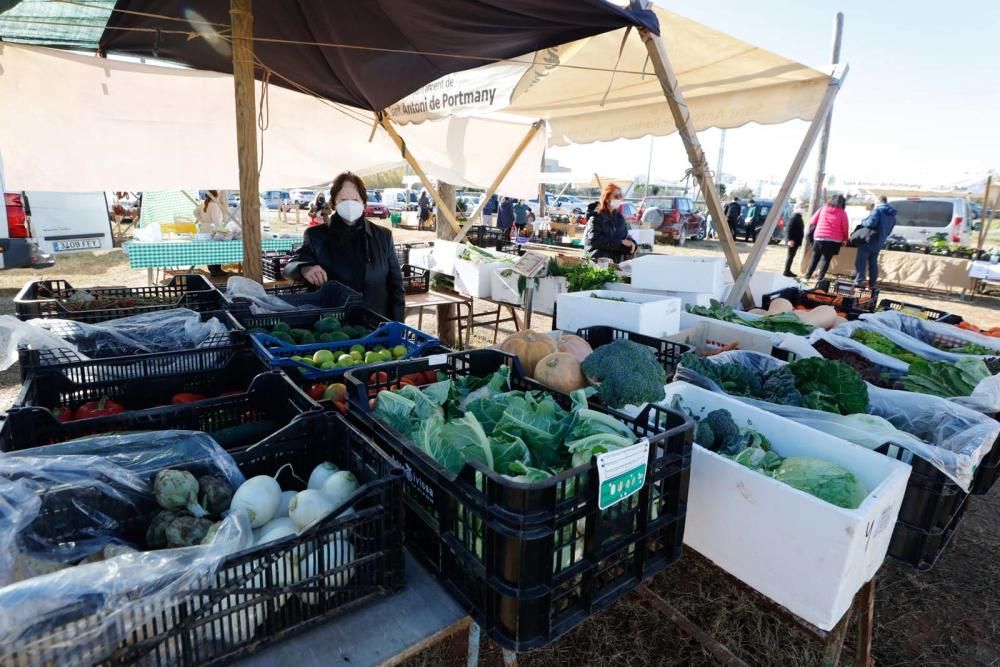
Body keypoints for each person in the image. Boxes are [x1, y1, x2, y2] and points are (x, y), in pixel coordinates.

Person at [284, 172, 404, 321]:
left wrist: (398, 327)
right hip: (333, 326)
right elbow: (289, 268)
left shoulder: (383, 236)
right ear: (333, 203)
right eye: (343, 199)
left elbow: (397, 287)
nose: (350, 204)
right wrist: (304, 268)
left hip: (377, 325)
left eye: (355, 199)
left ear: (363, 203)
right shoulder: (316, 235)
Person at [584, 182, 636, 263]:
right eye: (616, 196)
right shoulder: (596, 218)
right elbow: (595, 241)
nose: (619, 199)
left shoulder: (620, 218)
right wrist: (620, 242)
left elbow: (624, 237)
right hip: (597, 263)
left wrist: (632, 243)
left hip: (615, 263)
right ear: (607, 199)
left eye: (620, 196)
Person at [803, 194, 850, 282]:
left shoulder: (822, 209)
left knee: (815, 257)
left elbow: (813, 221)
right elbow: (845, 228)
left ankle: (807, 276)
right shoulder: (842, 213)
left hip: (819, 237)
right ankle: (820, 278)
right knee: (826, 259)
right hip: (833, 240)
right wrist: (845, 239)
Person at [854, 196, 897, 289]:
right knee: (873, 263)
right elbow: (889, 231)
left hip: (869, 240)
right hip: (879, 242)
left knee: (861, 262)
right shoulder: (892, 215)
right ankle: (872, 284)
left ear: (878, 201)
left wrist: (863, 221)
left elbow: (870, 223)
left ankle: (858, 281)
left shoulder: (877, 211)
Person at [194, 190, 227, 276]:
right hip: (212, 229)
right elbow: (216, 220)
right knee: (216, 250)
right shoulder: (214, 205)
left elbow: (195, 212)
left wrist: (202, 221)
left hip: (204, 229)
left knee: (209, 250)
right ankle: (216, 270)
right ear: (216, 196)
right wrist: (221, 229)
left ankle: (213, 270)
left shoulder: (203, 204)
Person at [783, 206, 806, 277]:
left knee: (791, 256)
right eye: (800, 207)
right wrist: (789, 240)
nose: (802, 209)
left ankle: (787, 270)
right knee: (790, 256)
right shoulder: (794, 217)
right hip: (792, 241)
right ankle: (786, 271)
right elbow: (788, 230)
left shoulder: (798, 217)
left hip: (795, 241)